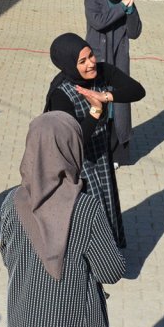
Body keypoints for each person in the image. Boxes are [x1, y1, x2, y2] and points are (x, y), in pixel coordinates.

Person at [1, 113, 126, 327]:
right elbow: (111, 271)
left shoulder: (11, 203)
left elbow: (7, 256)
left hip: (24, 324)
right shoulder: (86, 209)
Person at [44, 33, 146, 248]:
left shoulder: (101, 71)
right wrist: (95, 111)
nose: (91, 63)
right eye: (82, 61)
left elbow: (137, 91)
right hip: (78, 166)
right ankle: (87, 257)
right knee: (87, 215)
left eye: (90, 55)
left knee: (107, 206)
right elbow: (72, 141)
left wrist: (106, 96)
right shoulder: (61, 94)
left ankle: (108, 255)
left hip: (101, 156)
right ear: (69, 64)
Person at [85, 0, 143, 165]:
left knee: (117, 106)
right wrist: (123, 6)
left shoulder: (126, 2)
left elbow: (134, 32)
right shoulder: (92, 0)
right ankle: (94, 151)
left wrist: (130, 8)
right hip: (98, 60)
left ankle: (116, 154)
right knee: (97, 103)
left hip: (118, 60)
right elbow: (99, 22)